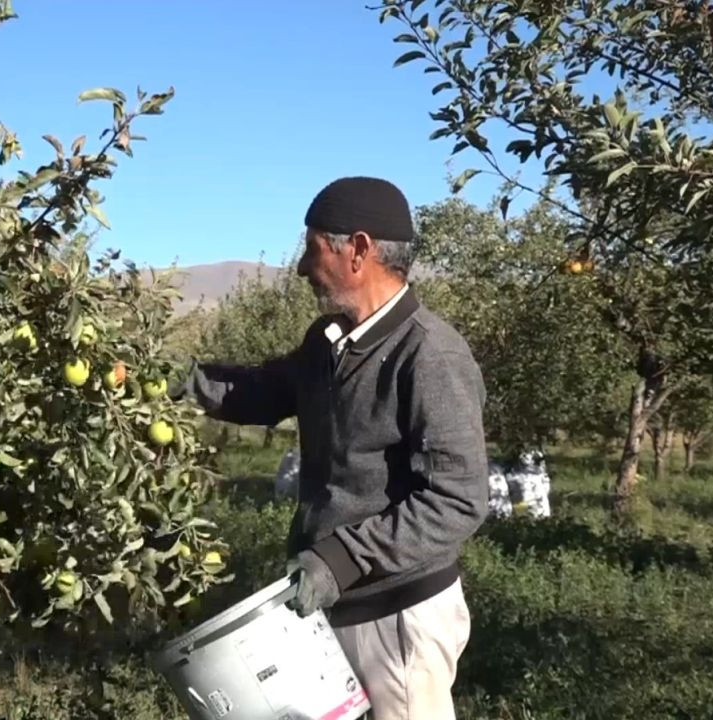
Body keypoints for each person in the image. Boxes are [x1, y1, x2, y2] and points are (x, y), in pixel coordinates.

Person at [172, 176, 489, 720]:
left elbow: (458, 500)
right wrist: (175, 381)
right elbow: (266, 390)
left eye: (313, 247)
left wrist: (340, 559)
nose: (300, 268)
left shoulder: (428, 355)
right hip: (336, 601)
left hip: (399, 615)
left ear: (359, 250)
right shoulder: (329, 341)